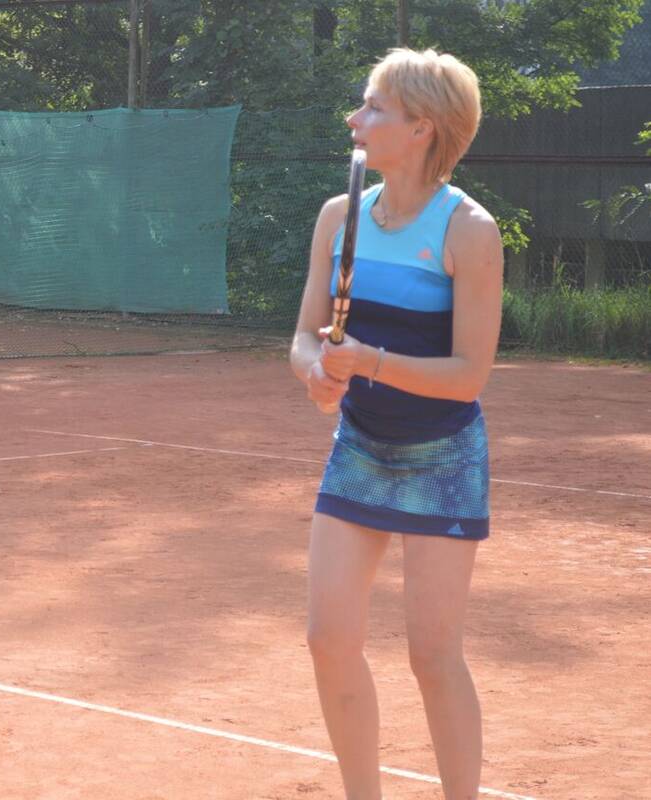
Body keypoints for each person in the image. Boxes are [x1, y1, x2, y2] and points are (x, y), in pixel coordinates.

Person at [290, 49, 503, 799]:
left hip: (444, 459)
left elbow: (468, 374)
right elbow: (304, 335)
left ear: (421, 127)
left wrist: (368, 362)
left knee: (432, 657)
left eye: (374, 107)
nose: (355, 118)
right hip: (359, 449)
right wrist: (315, 372)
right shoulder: (337, 216)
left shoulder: (469, 230)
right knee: (327, 640)